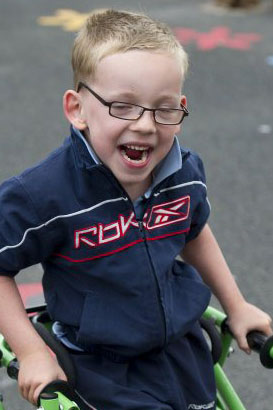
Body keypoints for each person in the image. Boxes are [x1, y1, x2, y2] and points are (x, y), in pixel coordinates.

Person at [0, 9, 271, 410]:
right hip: (100, 367)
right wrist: (33, 352)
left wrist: (237, 305)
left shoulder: (185, 173)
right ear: (77, 109)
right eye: (123, 106)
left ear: (181, 109)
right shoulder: (43, 194)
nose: (145, 125)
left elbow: (194, 231)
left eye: (163, 109)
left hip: (181, 351)